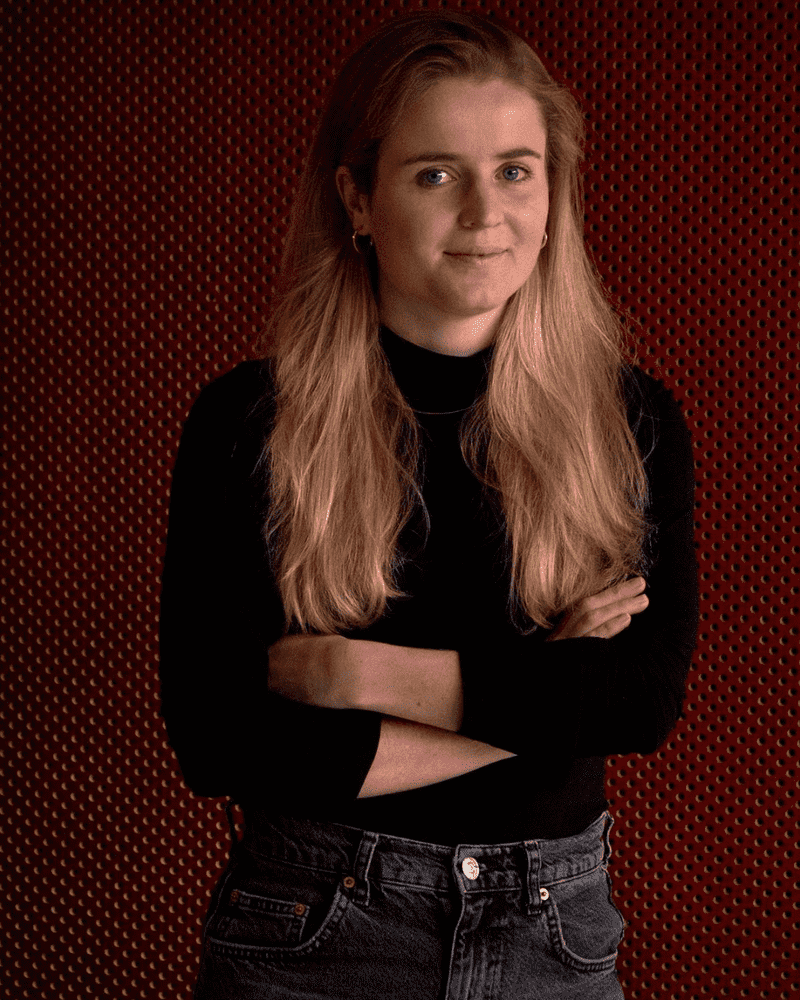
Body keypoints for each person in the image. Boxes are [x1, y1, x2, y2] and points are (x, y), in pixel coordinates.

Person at [159, 10, 699, 999]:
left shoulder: (628, 423)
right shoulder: (249, 421)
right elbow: (220, 737)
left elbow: (636, 702)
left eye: (514, 169)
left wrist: (349, 670)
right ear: (357, 199)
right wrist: (542, 697)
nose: (484, 212)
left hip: (555, 939)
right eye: (434, 173)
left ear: (552, 193)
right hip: (312, 926)